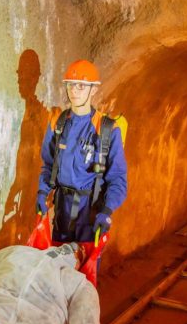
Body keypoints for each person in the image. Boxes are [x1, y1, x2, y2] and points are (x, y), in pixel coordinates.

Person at [36, 60, 128, 245]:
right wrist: (42, 192)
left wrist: (107, 210)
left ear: (93, 90)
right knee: (57, 268)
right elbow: (48, 164)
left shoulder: (106, 129)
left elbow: (117, 177)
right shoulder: (58, 123)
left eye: (81, 86)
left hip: (90, 215)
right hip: (62, 212)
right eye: (70, 84)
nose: (74, 90)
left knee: (84, 272)